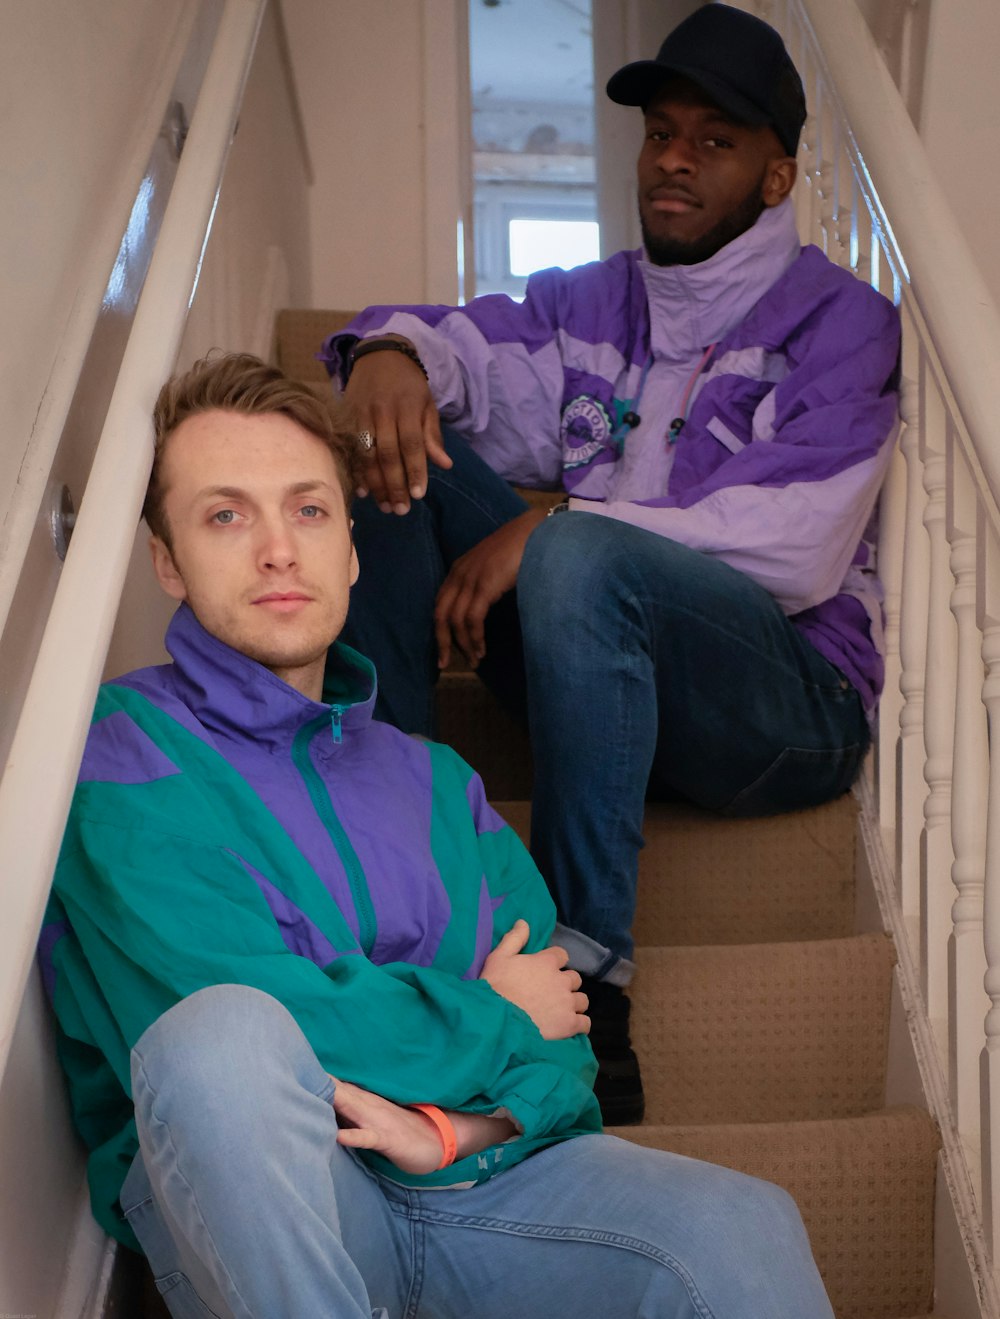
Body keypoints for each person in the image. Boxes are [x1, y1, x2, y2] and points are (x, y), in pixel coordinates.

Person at [41, 352, 834, 1318]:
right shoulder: (116, 756)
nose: (278, 549)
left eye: (308, 509)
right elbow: (238, 1043)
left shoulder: (439, 780)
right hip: (293, 1211)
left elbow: (565, 1052)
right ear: (166, 557)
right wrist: (490, 1011)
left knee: (741, 1222)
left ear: (351, 547)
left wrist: (453, 1126)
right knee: (220, 1041)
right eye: (225, 514)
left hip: (477, 1174)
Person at [319, 4, 902, 1124]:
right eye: (660, 132)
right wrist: (391, 355)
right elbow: (471, 356)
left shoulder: (843, 321)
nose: (674, 159)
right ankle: (396, 866)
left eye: (714, 140)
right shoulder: (596, 301)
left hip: (782, 707)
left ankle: (588, 971)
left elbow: (799, 541)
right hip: (602, 683)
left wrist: (554, 524)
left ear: (777, 179)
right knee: (402, 456)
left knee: (581, 543)